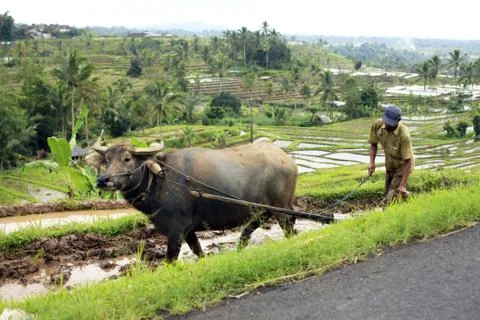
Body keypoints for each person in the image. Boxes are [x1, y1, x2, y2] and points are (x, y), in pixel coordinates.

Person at [368, 105, 414, 205]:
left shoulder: (404, 136)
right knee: (388, 193)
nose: (388, 126)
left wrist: (402, 185)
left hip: (402, 167)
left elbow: (408, 161)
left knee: (391, 197)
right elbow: (373, 144)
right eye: (386, 122)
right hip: (389, 165)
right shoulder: (378, 125)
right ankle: (409, 200)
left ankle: (404, 199)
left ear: (398, 121)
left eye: (391, 124)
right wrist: (372, 162)